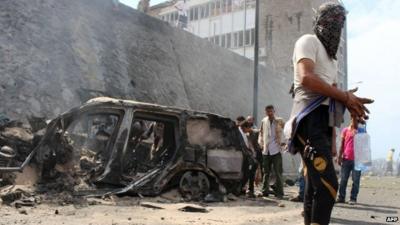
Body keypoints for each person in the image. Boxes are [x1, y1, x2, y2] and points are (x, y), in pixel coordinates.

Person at [286, 3, 373, 224]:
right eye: (331, 19)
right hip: (307, 120)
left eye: (340, 22)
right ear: (319, 20)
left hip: (323, 124)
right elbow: (306, 78)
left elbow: (331, 100)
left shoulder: (333, 60)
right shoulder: (308, 41)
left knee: (314, 188)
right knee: (329, 187)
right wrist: (345, 96)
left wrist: (333, 138)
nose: (336, 25)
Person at [258, 105, 285, 199]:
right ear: (265, 112)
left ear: (274, 111)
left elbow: (285, 132)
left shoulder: (279, 120)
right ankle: (264, 191)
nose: (269, 113)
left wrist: (284, 143)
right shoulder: (264, 121)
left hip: (276, 150)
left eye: (271, 111)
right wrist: (261, 144)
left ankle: (280, 193)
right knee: (266, 172)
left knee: (278, 172)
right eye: (268, 111)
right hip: (266, 150)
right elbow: (261, 133)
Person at [337, 118, 361, 205]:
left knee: (356, 180)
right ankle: (341, 197)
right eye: (355, 120)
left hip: (357, 160)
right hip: (346, 159)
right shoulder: (345, 130)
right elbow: (342, 144)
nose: (356, 122)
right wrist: (339, 156)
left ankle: (353, 198)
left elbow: (365, 145)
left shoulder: (361, 131)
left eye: (358, 121)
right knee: (343, 179)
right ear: (351, 120)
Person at [239, 121, 258, 198]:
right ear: (245, 127)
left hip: (246, 156)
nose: (249, 130)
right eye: (249, 128)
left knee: (250, 171)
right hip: (244, 157)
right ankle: (248, 189)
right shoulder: (240, 133)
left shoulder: (244, 133)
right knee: (248, 173)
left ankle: (248, 189)